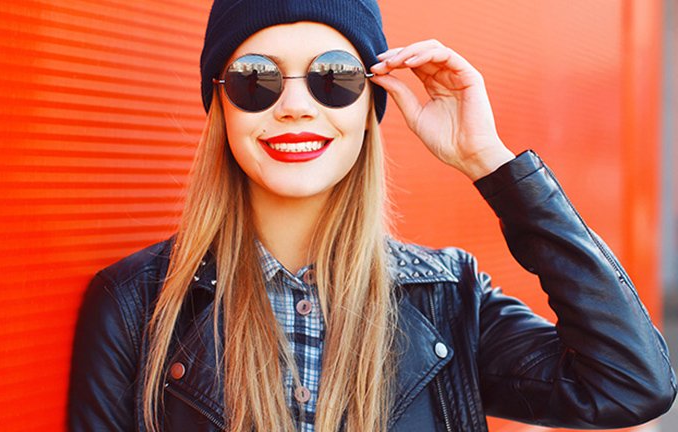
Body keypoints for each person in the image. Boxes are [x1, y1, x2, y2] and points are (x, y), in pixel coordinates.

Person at [66, 1, 677, 431]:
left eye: (334, 78)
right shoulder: (137, 304)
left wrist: (489, 161)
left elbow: (629, 384)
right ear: (221, 109)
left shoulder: (446, 300)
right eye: (257, 80)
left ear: (369, 105)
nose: (296, 108)